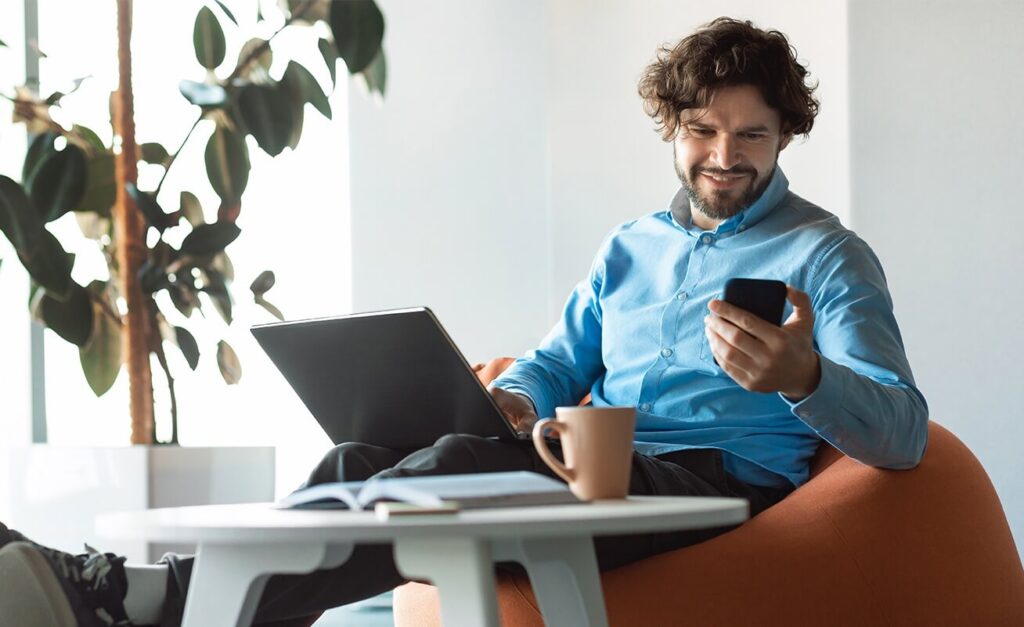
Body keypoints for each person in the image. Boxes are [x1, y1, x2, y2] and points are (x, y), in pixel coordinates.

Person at [0, 16, 928, 627]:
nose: (724, 156)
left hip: (718, 490)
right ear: (671, 127)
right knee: (359, 461)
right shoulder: (629, 246)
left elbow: (903, 429)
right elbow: (559, 361)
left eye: (751, 135)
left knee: (456, 471)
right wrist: (516, 400)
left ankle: (138, 594)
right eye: (702, 129)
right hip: (597, 466)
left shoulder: (825, 257)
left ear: (785, 135)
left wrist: (804, 377)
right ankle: (176, 600)